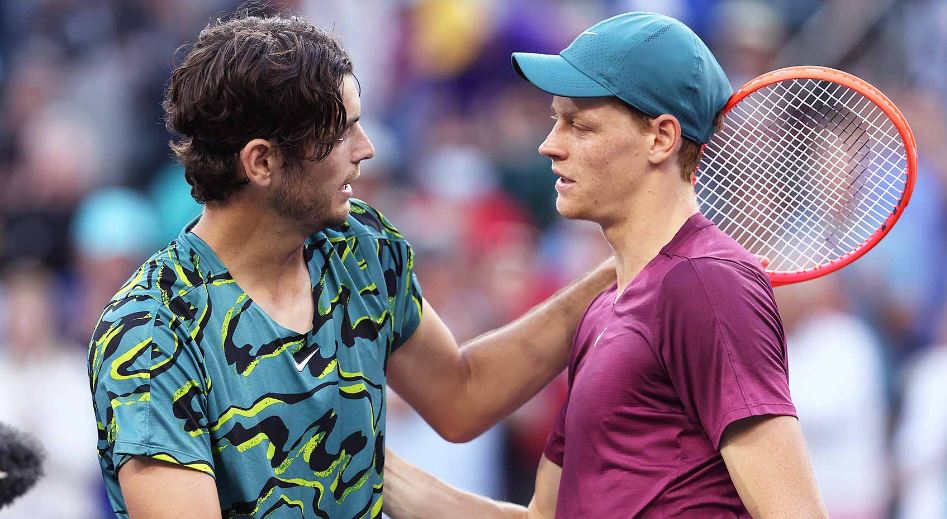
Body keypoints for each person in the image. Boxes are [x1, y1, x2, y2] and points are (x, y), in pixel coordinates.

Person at [87, 13, 615, 519]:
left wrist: (621, 271)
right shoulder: (151, 334)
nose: (367, 150)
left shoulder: (357, 244)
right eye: (342, 133)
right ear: (262, 162)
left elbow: (462, 396)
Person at [383, 12, 827, 518]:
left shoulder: (707, 283)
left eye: (579, 124)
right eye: (555, 120)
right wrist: (369, 463)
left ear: (660, 138)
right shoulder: (604, 310)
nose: (550, 144)